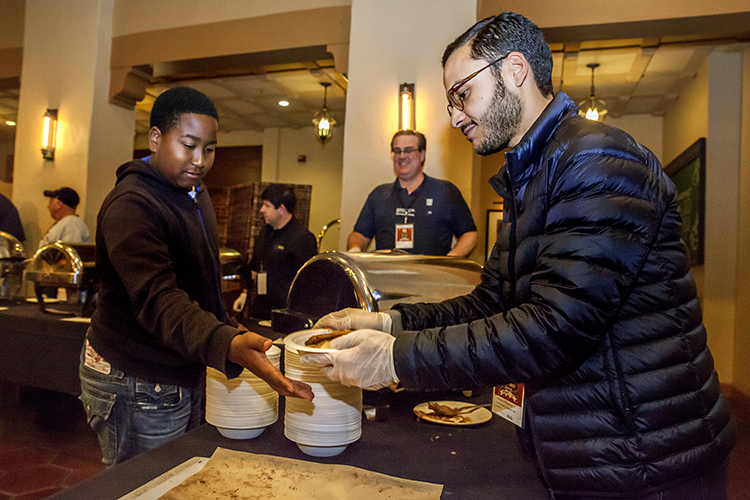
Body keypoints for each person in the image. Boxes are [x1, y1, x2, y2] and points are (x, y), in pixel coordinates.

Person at [302, 12, 736, 500]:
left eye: (461, 94)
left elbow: (556, 328)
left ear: (514, 70)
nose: (455, 116)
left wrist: (396, 360)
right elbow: (490, 304)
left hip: (646, 459)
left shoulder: (594, 158)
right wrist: (387, 325)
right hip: (593, 449)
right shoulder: (532, 177)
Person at [79, 87, 313, 467]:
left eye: (210, 148)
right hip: (136, 376)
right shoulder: (132, 206)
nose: (201, 160)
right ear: (155, 138)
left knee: (179, 476)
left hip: (178, 364)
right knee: (144, 485)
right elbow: (160, 300)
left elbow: (197, 281)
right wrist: (227, 343)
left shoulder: (193, 190)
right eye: (189, 145)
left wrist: (226, 324)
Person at [347, 130, 477, 256]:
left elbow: (469, 234)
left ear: (422, 155)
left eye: (409, 150)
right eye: (397, 151)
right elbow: (360, 234)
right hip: (386, 276)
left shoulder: (446, 191)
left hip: (433, 276)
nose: (402, 156)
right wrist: (355, 249)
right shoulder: (379, 195)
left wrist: (450, 261)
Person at [234, 184, 318, 320]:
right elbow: (255, 268)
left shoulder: (302, 239)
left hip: (285, 314)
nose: (262, 210)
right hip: (260, 310)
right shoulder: (265, 232)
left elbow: (308, 285)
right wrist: (243, 292)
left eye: (267, 206)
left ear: (281, 209)